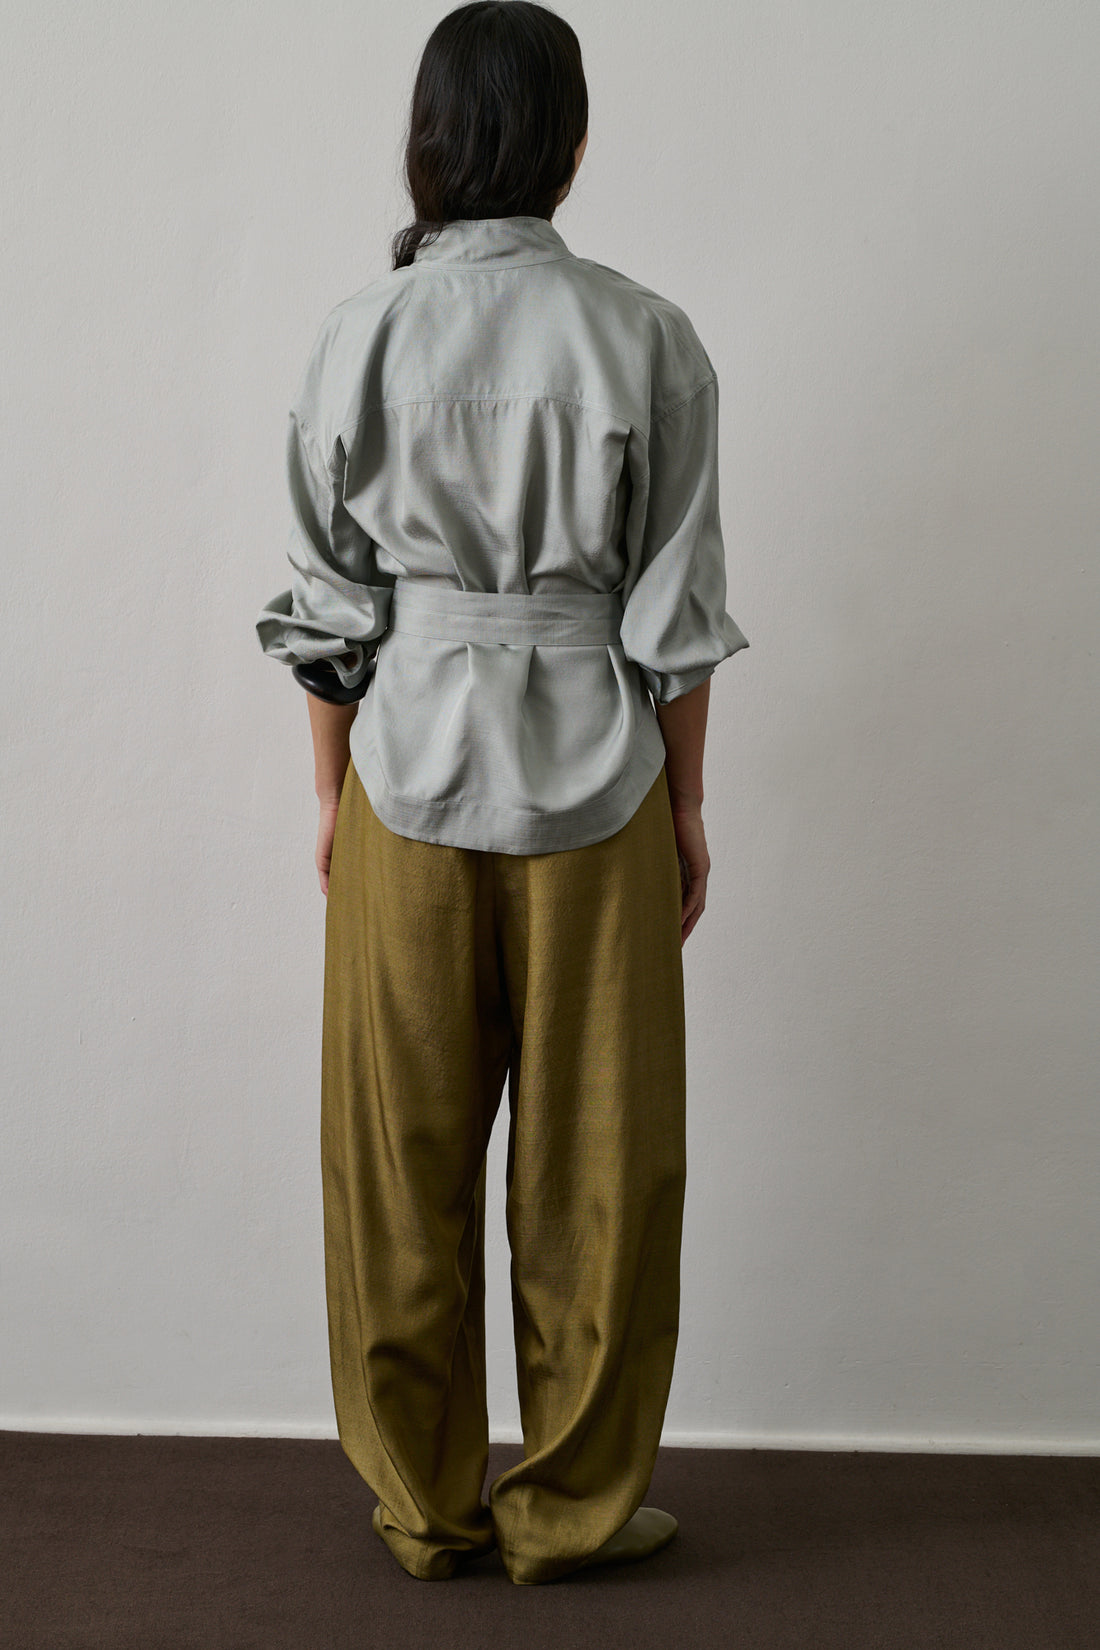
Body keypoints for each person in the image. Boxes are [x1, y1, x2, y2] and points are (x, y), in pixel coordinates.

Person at [255, 0, 748, 1587]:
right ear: (571, 147)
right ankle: (572, 1505)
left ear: (429, 143)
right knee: (604, 1162)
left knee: (392, 1155)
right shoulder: (649, 336)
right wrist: (686, 810)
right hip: (600, 779)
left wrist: (329, 799)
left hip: (402, 772)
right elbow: (677, 617)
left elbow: (326, 610)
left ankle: (425, 1501)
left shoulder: (356, 332)